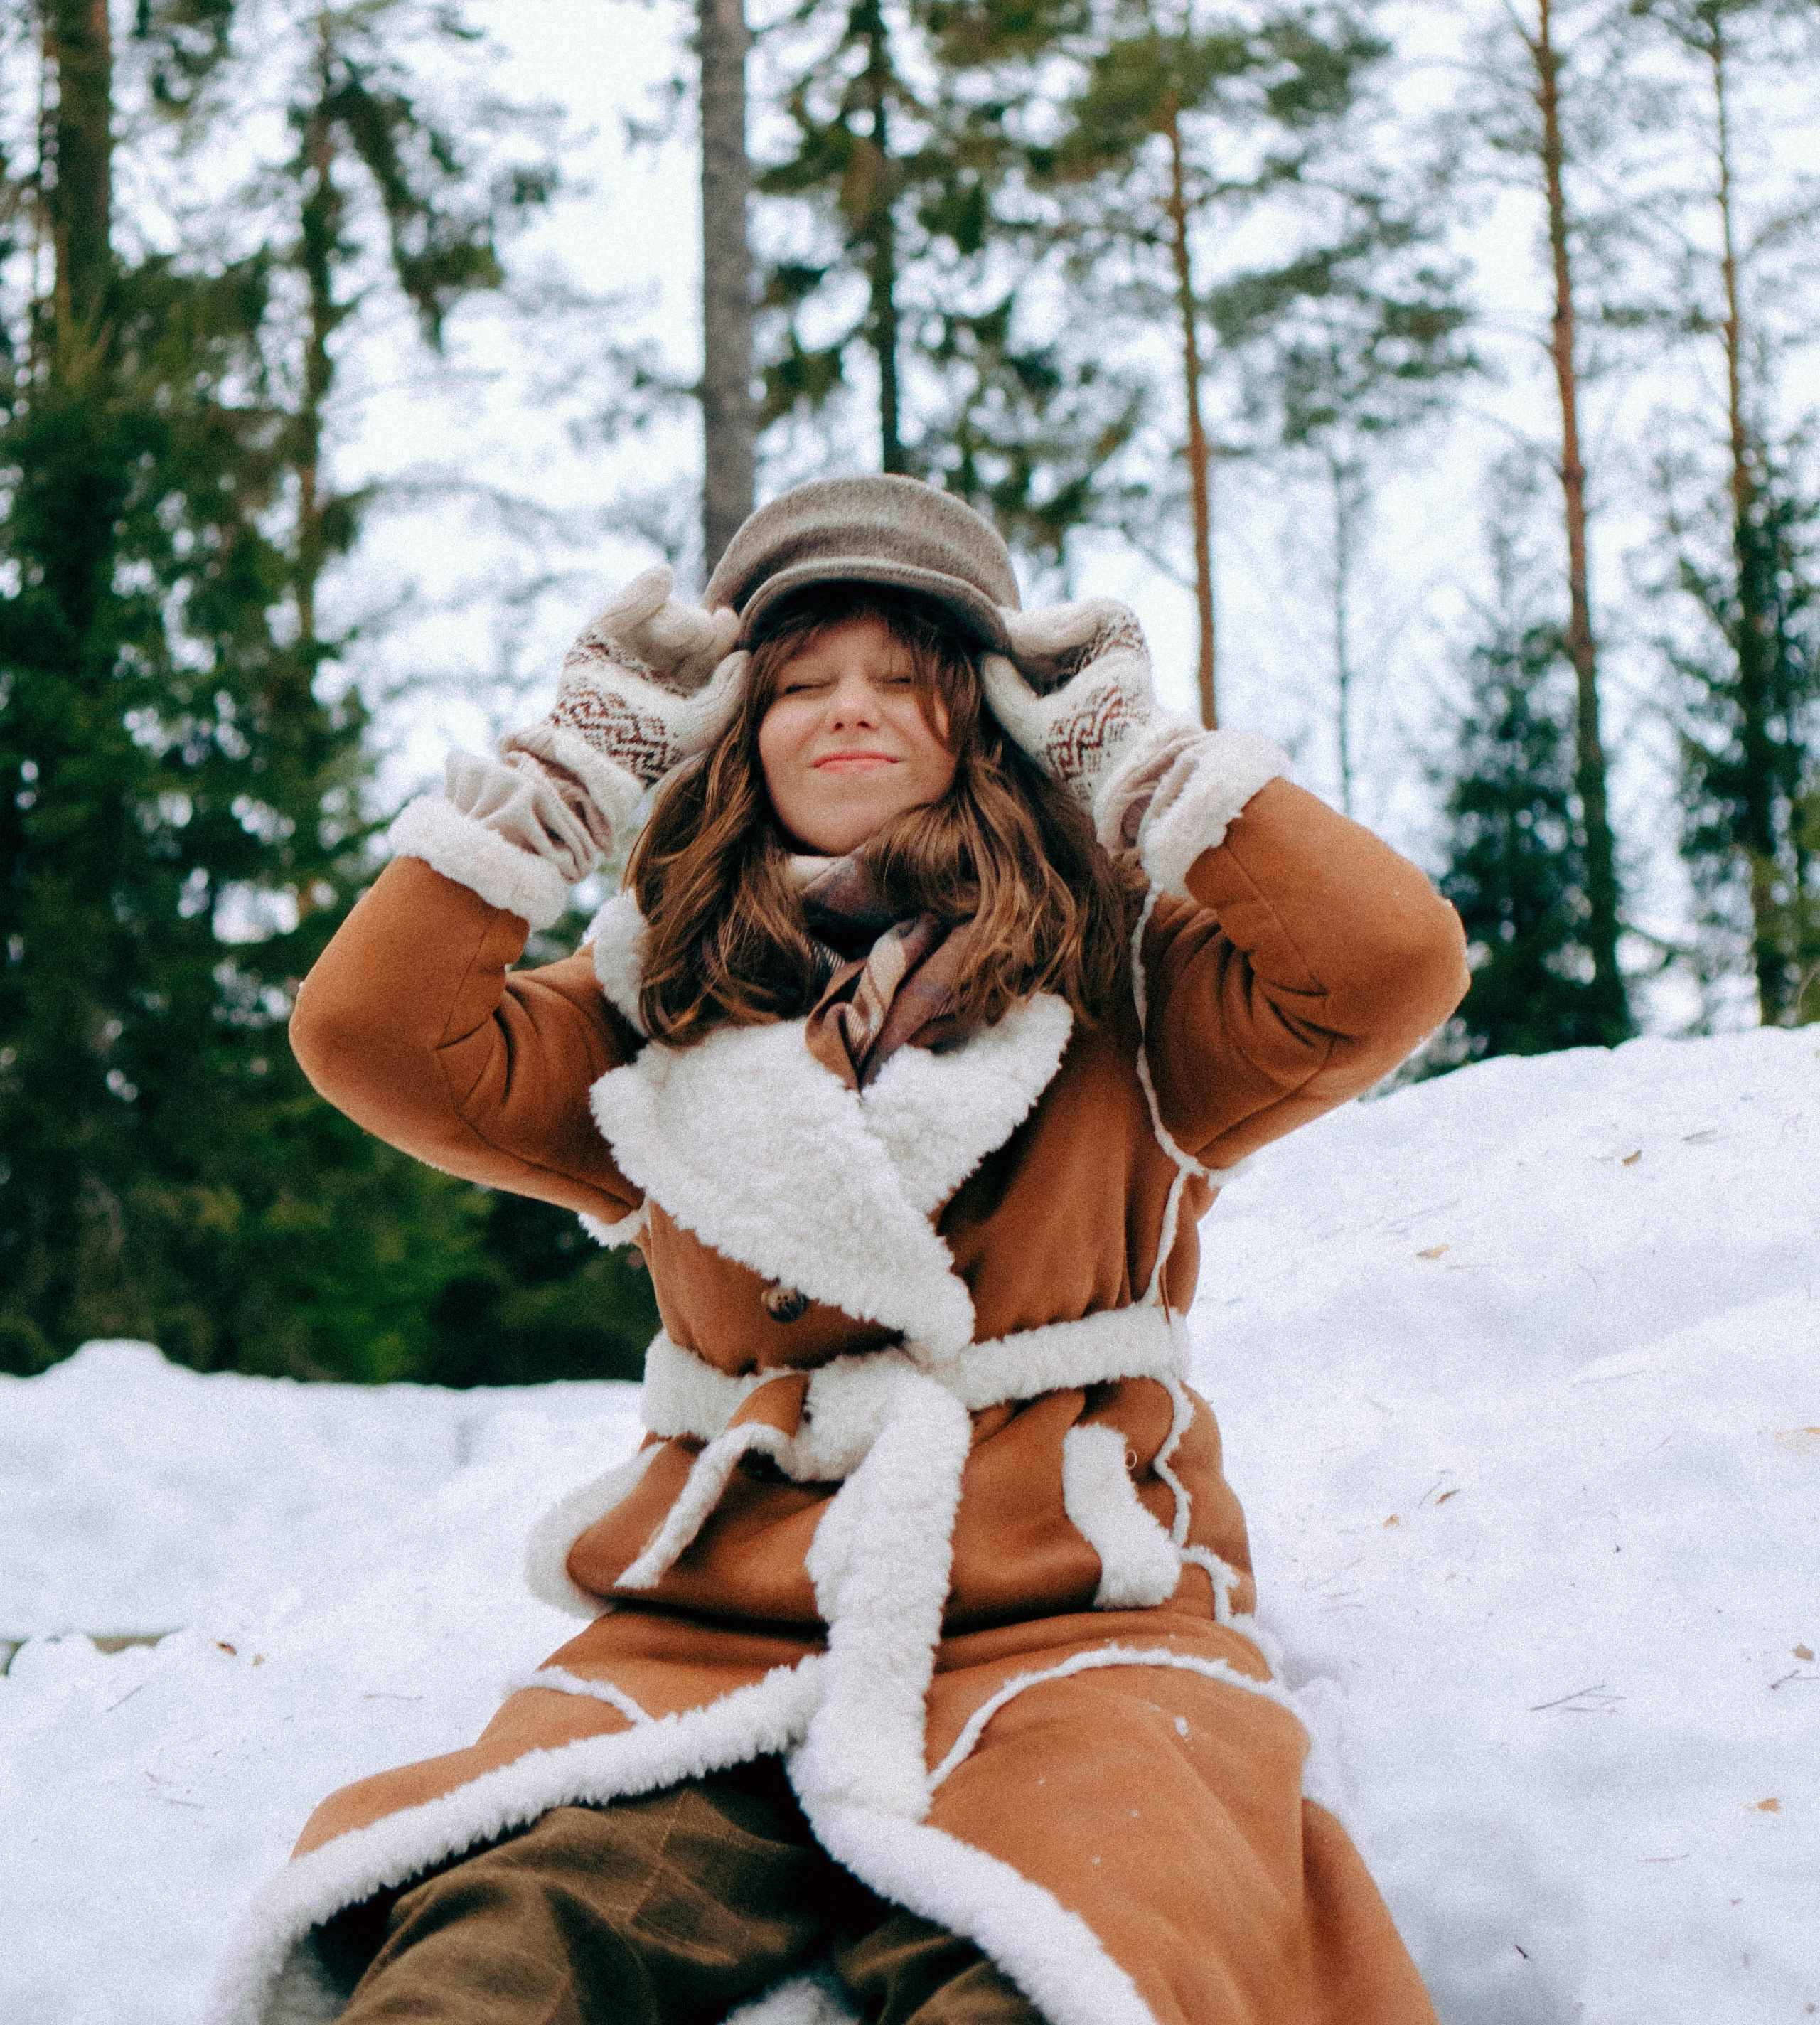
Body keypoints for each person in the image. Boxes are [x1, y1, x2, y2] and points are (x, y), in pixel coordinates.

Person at [211, 476, 1469, 2025]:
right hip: (709, 1640)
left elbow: (1391, 962)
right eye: (800, 682)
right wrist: (569, 779)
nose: (849, 710)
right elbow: (369, 1035)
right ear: (736, 730)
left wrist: (1134, 757)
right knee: (485, 1959)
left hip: (1072, 1624)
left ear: (989, 720)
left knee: (1073, 1971)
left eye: (906, 678)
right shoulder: (651, 1003)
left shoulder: (1128, 982)